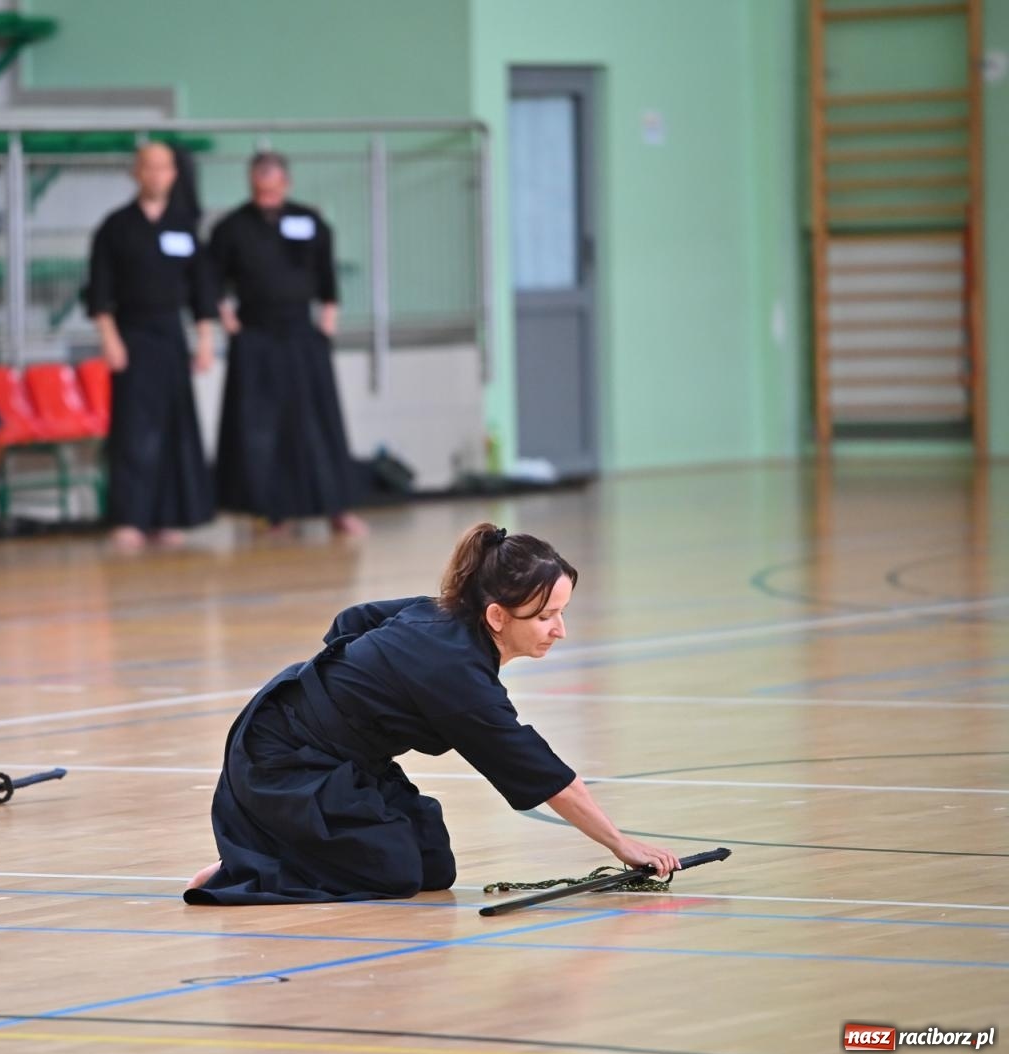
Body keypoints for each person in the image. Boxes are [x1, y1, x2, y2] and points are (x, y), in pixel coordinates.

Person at [185, 522, 680, 904]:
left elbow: (352, 621)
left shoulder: (445, 612)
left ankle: (271, 853)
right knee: (392, 872)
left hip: (341, 758)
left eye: (562, 613)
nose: (559, 630)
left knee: (430, 865)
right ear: (496, 616)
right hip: (282, 755)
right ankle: (249, 869)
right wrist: (620, 844)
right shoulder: (457, 675)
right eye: (546, 617)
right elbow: (543, 772)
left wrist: (364, 691)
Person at [209, 151, 366, 538]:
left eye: (273, 187)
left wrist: (326, 325)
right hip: (256, 335)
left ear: (286, 184)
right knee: (261, 426)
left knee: (317, 421)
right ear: (251, 185)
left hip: (302, 333)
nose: (266, 194)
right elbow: (210, 280)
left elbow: (327, 278)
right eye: (258, 189)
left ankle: (336, 509)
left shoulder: (309, 222)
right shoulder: (231, 227)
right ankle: (269, 511)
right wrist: (230, 323)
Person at [85, 142, 217, 550]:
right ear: (136, 173)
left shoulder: (184, 226)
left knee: (174, 426)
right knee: (133, 429)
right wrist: (110, 337)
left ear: (173, 174)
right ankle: (130, 517)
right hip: (131, 333)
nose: (157, 175)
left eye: (164, 168)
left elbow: (201, 290)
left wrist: (205, 340)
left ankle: (168, 516)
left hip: (172, 334)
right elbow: (99, 290)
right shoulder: (116, 226)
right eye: (149, 168)